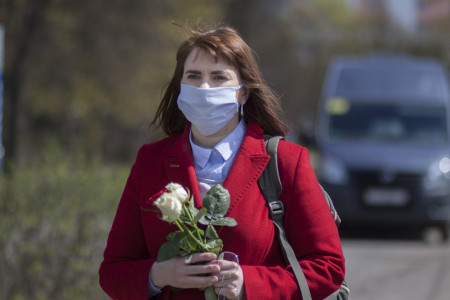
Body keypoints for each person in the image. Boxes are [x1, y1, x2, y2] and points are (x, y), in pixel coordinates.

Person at [99, 24, 345, 300]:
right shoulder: (150, 161)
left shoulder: (287, 161)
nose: (204, 87)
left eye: (218, 77)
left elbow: (328, 268)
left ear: (243, 92)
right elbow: (112, 271)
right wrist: (159, 275)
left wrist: (249, 284)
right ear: (180, 87)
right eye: (193, 76)